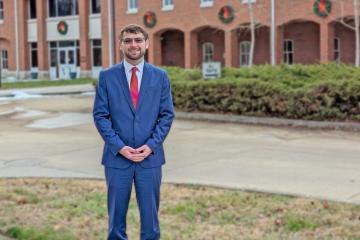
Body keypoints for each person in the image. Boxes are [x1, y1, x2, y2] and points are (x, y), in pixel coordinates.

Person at [93, 24, 175, 240]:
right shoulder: (107, 77)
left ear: (146, 43)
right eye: (128, 40)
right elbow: (100, 116)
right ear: (121, 45)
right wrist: (120, 147)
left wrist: (150, 146)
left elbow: (167, 115)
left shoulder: (160, 77)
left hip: (150, 159)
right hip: (117, 159)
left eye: (138, 40)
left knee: (150, 222)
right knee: (115, 223)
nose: (133, 45)